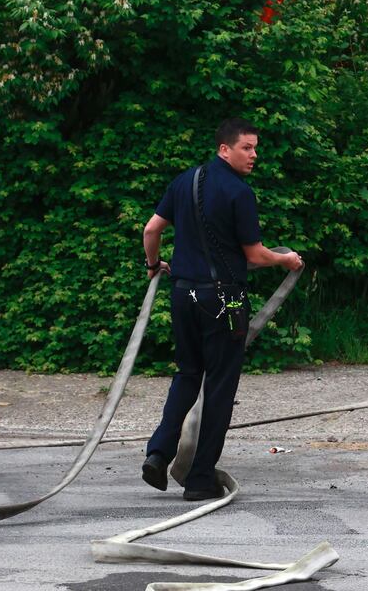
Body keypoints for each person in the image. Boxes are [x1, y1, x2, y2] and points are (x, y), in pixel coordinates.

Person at [140, 117, 304, 500]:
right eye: (247, 147)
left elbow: (151, 231)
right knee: (219, 388)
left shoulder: (184, 181)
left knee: (187, 374)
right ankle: (199, 480)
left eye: (255, 148)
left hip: (183, 294)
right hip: (225, 298)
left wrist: (153, 266)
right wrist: (287, 261)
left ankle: (158, 452)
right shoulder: (239, 192)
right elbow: (256, 255)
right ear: (224, 149)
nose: (254, 155)